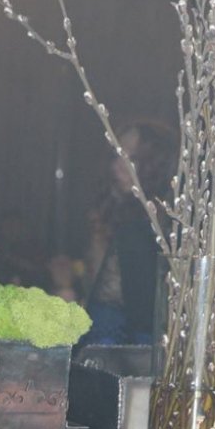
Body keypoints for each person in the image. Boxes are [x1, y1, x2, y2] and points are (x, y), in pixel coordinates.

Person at [80, 118, 178, 346]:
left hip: (133, 357)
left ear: (157, 166)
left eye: (131, 159)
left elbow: (119, 320)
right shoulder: (117, 220)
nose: (117, 166)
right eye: (116, 156)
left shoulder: (149, 233)